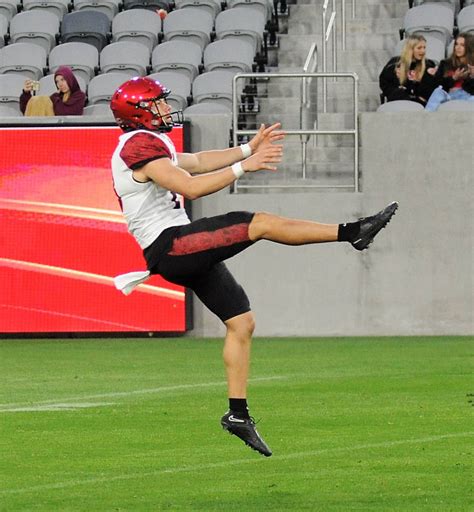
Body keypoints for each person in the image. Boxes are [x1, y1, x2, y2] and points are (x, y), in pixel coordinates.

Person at [109, 76, 398, 457]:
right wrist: (247, 167)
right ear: (139, 112)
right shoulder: (136, 145)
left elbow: (196, 162)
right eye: (157, 104)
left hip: (179, 245)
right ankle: (353, 232)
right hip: (170, 247)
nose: (165, 108)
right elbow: (190, 186)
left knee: (241, 322)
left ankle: (237, 415)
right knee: (257, 222)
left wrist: (248, 147)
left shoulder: (148, 142)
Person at [379, 34, 437, 106]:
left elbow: (429, 90)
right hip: (399, 102)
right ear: (410, 49)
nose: (423, 51)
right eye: (419, 48)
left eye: (424, 47)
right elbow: (385, 84)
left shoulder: (428, 65)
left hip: (420, 105)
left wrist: (418, 81)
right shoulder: (394, 64)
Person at [425, 33, 474, 111]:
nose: (458, 47)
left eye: (462, 45)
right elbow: (437, 84)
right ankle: (426, 117)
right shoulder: (445, 63)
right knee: (438, 92)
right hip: (448, 95)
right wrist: (453, 78)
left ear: (469, 47)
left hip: (466, 96)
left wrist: (472, 76)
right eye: (456, 44)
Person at [20, 65, 86, 116]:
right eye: (57, 82)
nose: (60, 84)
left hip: (67, 130)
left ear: (70, 79)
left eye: (63, 80)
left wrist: (54, 98)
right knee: (37, 100)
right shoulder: (57, 97)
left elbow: (63, 113)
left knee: (44, 100)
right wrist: (26, 93)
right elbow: (27, 109)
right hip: (49, 127)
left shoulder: (79, 96)